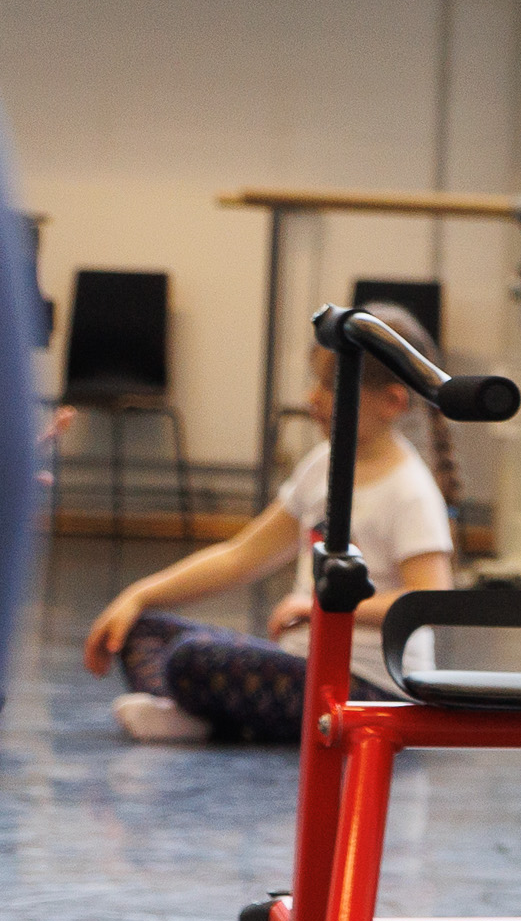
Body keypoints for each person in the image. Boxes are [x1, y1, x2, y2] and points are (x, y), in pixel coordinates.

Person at [82, 311, 455, 743]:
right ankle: (206, 718)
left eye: (330, 386)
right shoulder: (323, 465)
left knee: (192, 660)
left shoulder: (409, 491)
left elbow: (430, 600)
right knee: (142, 632)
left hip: (371, 690)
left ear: (392, 402)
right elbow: (240, 555)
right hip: (300, 667)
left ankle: (202, 718)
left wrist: (323, 607)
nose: (312, 397)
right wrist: (137, 595)